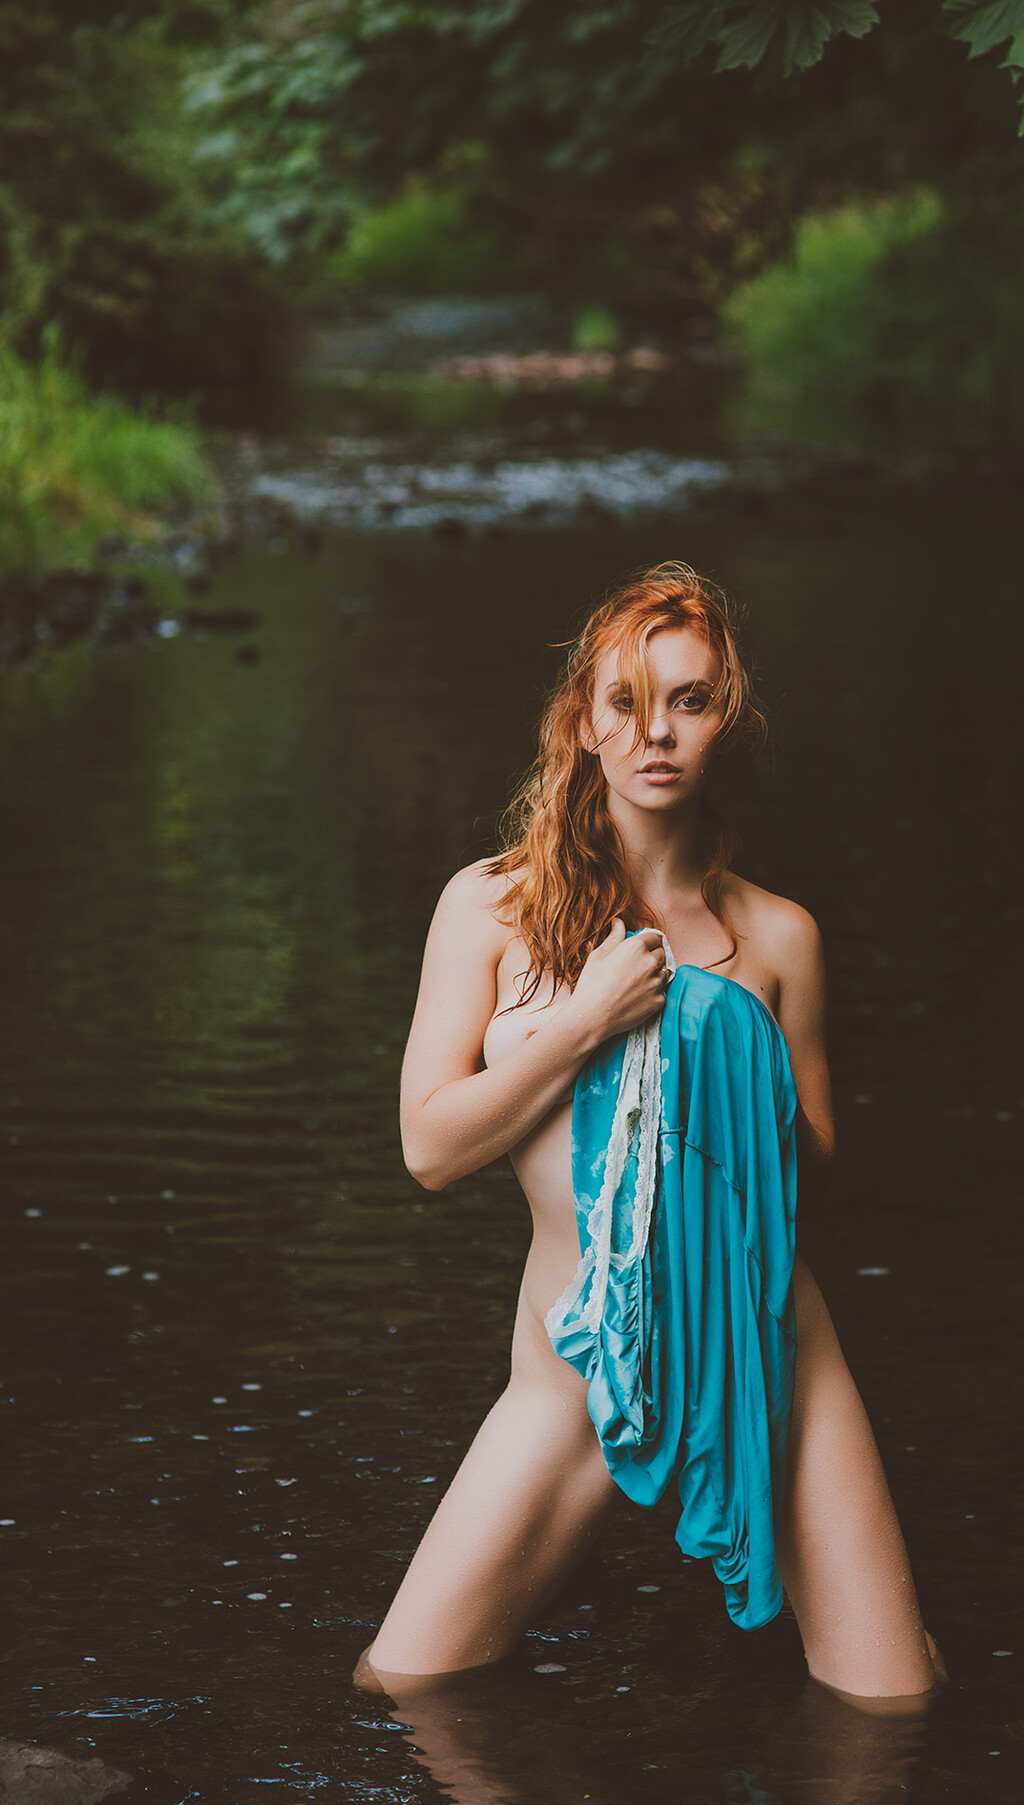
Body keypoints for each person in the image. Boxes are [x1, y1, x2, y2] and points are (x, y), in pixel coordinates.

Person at [356, 562, 943, 1705]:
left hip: (762, 1345)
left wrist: (719, 1057)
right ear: (584, 721)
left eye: (690, 701)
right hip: (573, 1368)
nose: (656, 733)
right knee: (406, 1686)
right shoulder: (490, 908)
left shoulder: (782, 938)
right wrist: (585, 1025)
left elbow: (810, 1177)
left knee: (892, 1700)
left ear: (729, 721)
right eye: (625, 703)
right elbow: (430, 1150)